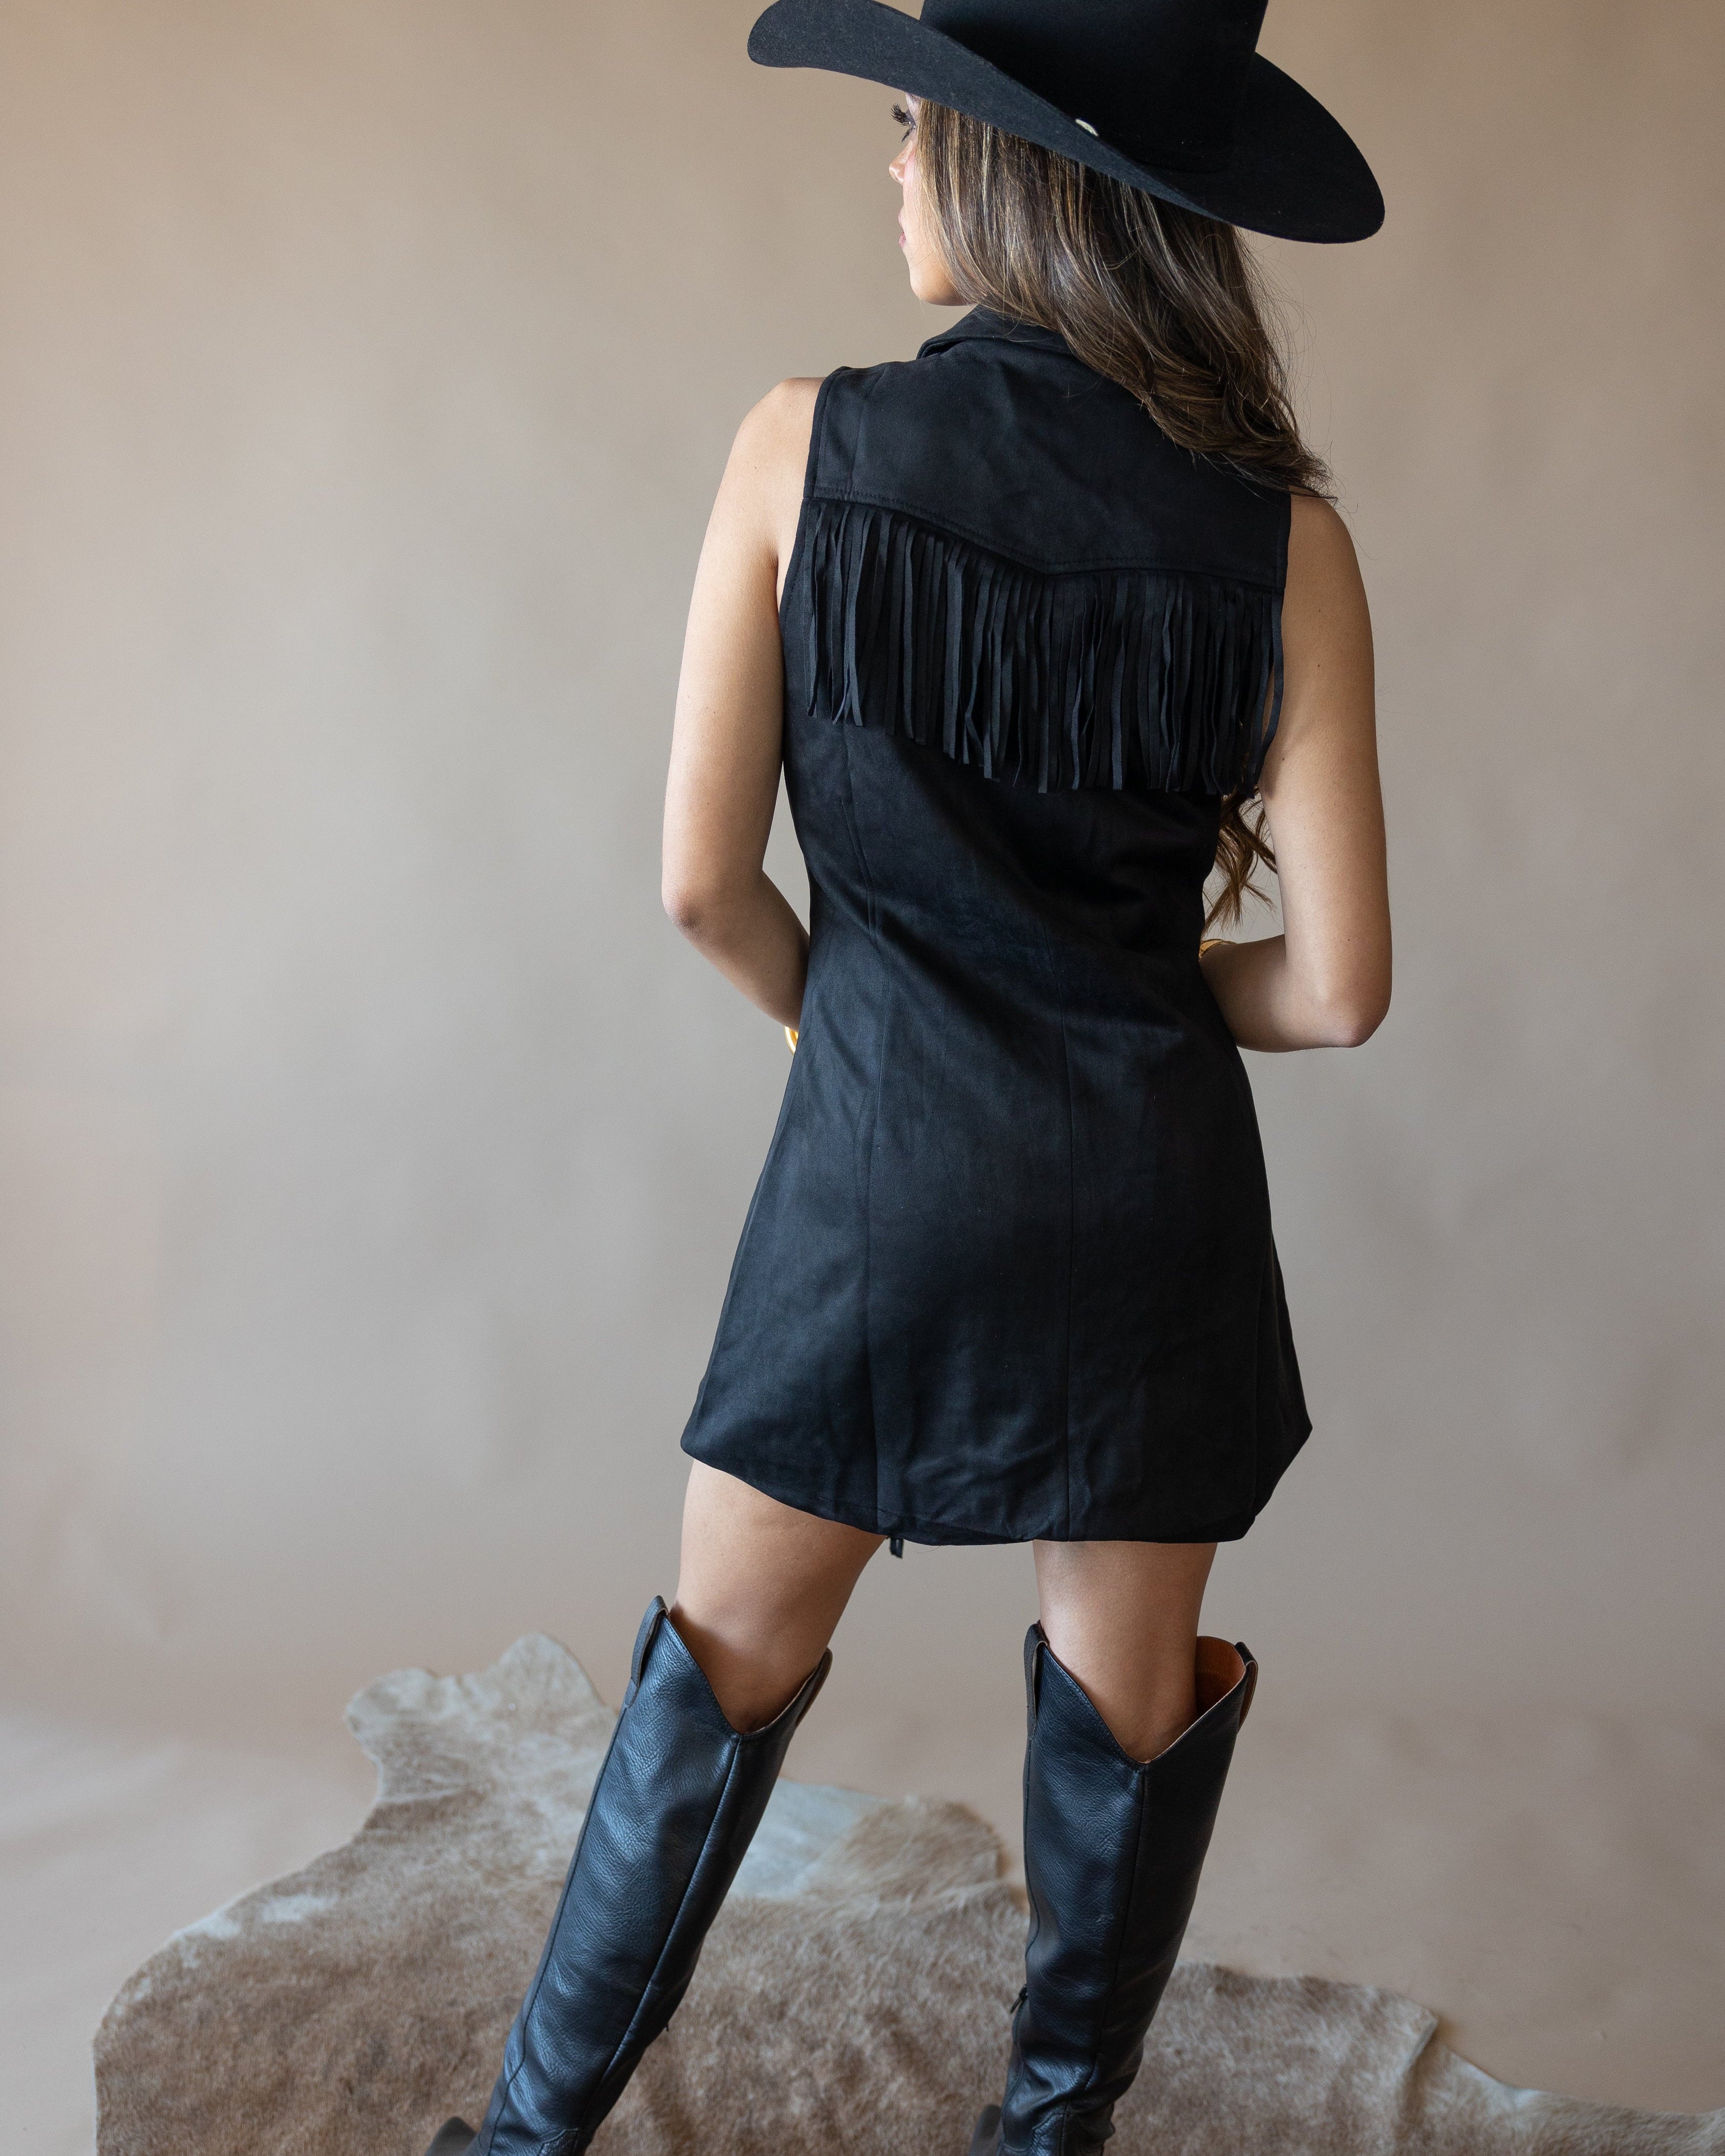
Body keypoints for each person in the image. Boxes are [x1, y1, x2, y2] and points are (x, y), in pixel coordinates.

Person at [425, 1, 1390, 2150]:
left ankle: (517, 2145)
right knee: (1123, 1715)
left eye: (910, 124)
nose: (886, 160)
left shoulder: (798, 441)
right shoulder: (1281, 537)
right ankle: (1045, 2138)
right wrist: (1115, 991)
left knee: (718, 1674)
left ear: (1011, 169)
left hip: (881, 1179)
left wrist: (871, 1036)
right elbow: (1334, 994)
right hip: (1153, 1199)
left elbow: (698, 888)